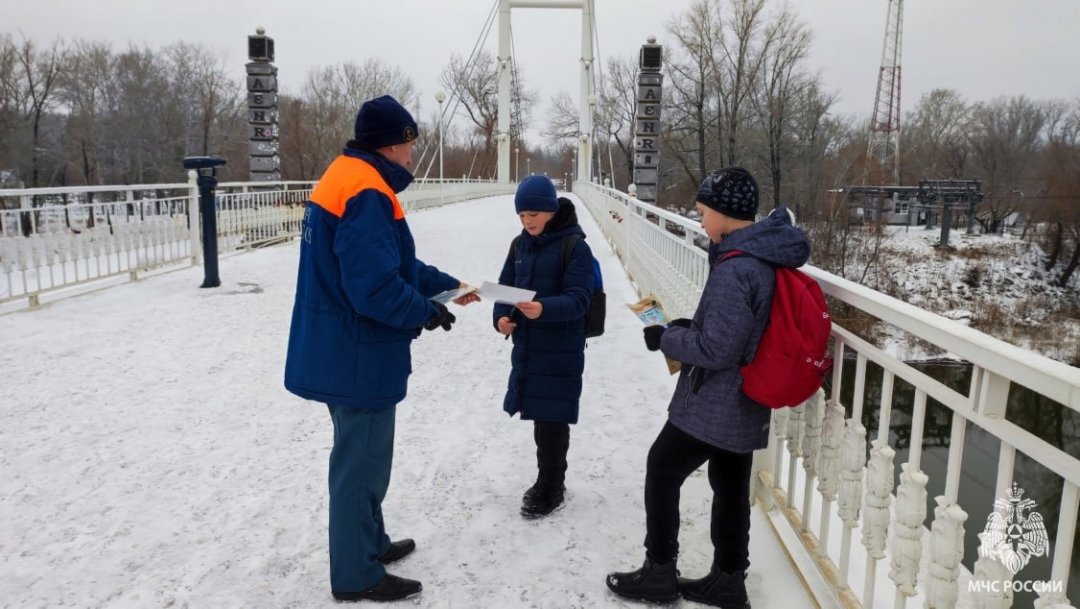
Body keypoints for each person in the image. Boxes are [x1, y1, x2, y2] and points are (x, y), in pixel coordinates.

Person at [284, 95, 479, 603]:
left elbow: (393, 265)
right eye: (411, 145)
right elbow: (373, 288)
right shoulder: (369, 192)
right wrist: (424, 311)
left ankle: (369, 543)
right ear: (393, 144)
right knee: (361, 466)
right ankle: (357, 574)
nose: (413, 156)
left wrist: (450, 287)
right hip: (357, 354)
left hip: (340, 348)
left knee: (364, 459)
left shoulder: (345, 176)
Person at [605, 167, 810, 607]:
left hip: (719, 399)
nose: (699, 221)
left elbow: (717, 349)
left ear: (723, 214)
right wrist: (684, 327)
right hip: (747, 395)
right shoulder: (761, 255)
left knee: (662, 468)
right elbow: (733, 329)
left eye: (702, 213)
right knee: (730, 486)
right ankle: (728, 580)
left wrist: (666, 337)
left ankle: (660, 572)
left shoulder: (738, 268)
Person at [494, 175, 595, 519]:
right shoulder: (519, 245)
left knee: (553, 420)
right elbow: (506, 288)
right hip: (530, 345)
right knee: (540, 415)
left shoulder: (575, 247)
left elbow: (580, 299)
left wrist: (544, 309)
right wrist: (502, 318)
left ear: (551, 210)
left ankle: (553, 485)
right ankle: (545, 480)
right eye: (522, 215)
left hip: (561, 347)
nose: (528, 221)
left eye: (534, 213)